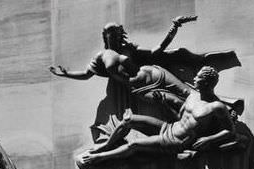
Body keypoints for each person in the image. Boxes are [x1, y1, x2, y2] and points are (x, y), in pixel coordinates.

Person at [50, 18, 241, 118]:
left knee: (189, 91)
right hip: (139, 89)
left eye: (117, 32)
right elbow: (85, 75)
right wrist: (65, 74)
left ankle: (228, 106)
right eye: (111, 33)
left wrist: (172, 30)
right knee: (178, 103)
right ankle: (215, 117)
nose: (114, 35)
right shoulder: (101, 57)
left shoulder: (128, 49)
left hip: (154, 74)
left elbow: (156, 51)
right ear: (105, 35)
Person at [78, 66, 239, 166]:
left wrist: (208, 140)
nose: (194, 78)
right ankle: (105, 145)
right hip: (168, 127)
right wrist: (163, 104)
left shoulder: (216, 107)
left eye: (198, 77)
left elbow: (229, 131)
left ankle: (98, 158)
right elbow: (178, 117)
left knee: (134, 145)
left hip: (177, 141)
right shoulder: (193, 96)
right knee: (129, 120)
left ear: (206, 83)